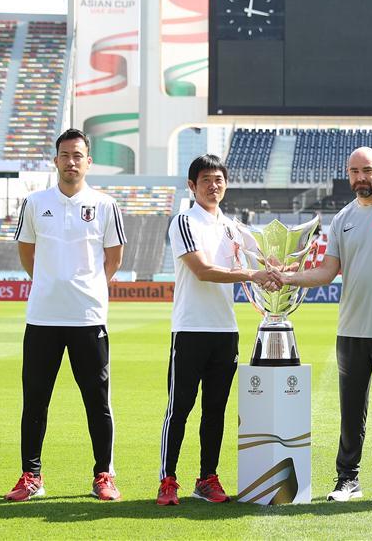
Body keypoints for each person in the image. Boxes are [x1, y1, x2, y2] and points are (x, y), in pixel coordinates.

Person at [275, 147, 372, 507]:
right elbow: (328, 271)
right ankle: (348, 479)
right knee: (350, 412)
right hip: (351, 330)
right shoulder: (342, 218)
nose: (360, 178)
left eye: (367, 171)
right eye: (354, 171)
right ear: (348, 175)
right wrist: (287, 277)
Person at [4, 128, 126, 502]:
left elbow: (114, 259)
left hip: (88, 317)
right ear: (55, 160)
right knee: (36, 399)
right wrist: (49, 283)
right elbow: (27, 253)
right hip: (43, 317)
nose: (71, 162)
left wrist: (86, 289)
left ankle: (103, 475)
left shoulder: (105, 205)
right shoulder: (35, 202)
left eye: (78, 155)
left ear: (88, 161)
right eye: (65, 155)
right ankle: (31, 476)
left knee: (97, 401)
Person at [156, 154, 281, 506]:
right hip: (190, 329)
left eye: (219, 180)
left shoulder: (233, 227)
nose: (214, 185)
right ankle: (168, 479)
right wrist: (254, 274)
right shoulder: (184, 221)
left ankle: (207, 477)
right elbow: (203, 270)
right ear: (192, 185)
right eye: (206, 179)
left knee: (215, 410)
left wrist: (282, 268)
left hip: (225, 332)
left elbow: (267, 260)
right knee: (179, 408)